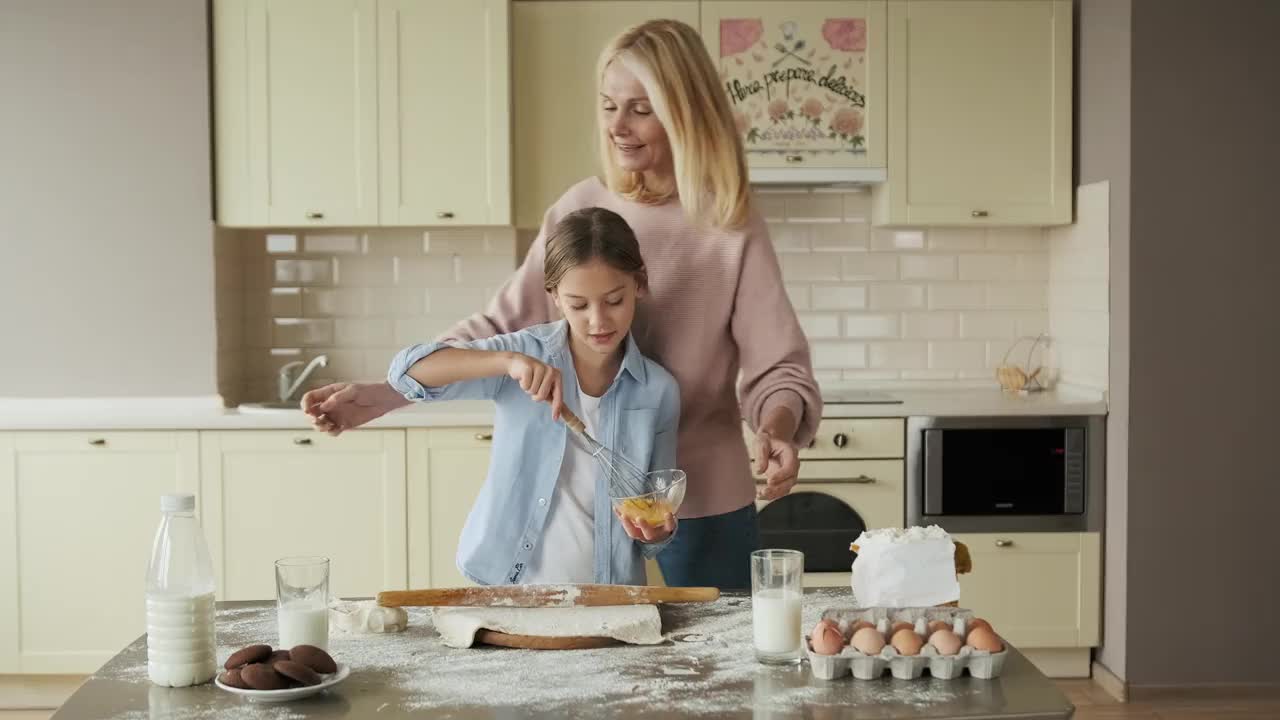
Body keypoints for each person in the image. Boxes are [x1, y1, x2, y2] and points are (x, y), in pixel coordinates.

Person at [303, 19, 821, 589]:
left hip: (701, 500)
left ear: (686, 112)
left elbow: (780, 367)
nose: (618, 127)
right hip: (590, 506)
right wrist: (383, 396)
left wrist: (777, 427)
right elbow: (500, 328)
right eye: (608, 106)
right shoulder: (583, 208)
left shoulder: (730, 225)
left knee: (711, 672)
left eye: (640, 109)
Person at [381, 207, 678, 586]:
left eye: (614, 301)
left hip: (611, 595)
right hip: (511, 590)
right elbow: (404, 372)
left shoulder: (659, 391)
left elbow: (658, 513)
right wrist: (506, 362)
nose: (598, 321)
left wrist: (657, 533)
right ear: (554, 296)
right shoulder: (523, 355)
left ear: (639, 284)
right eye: (579, 305)